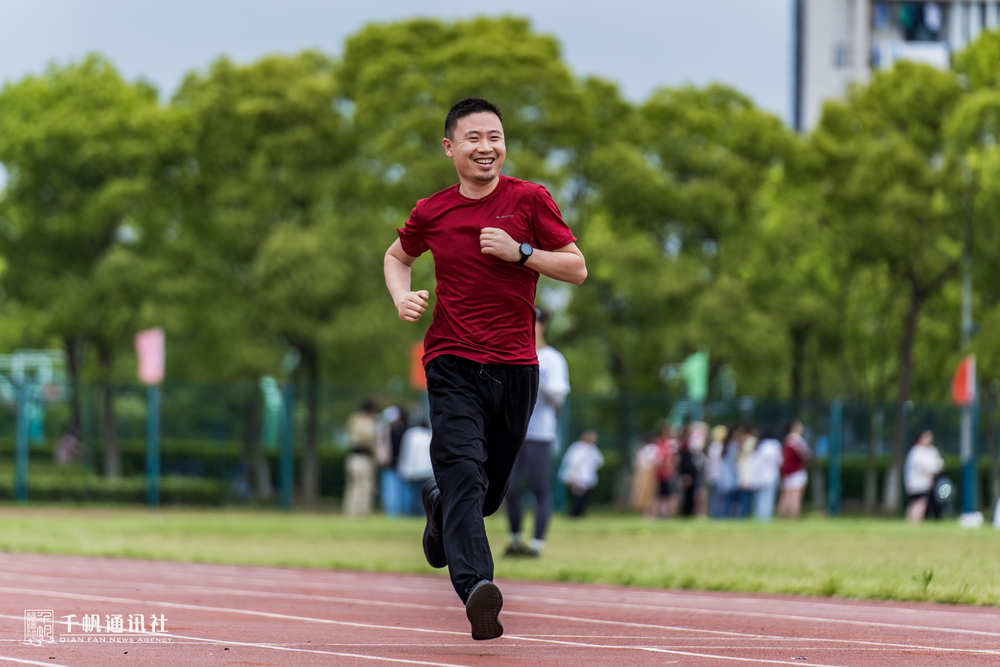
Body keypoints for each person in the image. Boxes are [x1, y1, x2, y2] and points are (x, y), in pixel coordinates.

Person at [382, 97, 586, 640]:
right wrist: (401, 297)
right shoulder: (433, 210)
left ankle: (438, 503)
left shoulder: (530, 200)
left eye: (494, 137)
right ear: (450, 148)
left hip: (517, 366)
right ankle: (477, 589)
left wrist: (520, 252)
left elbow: (576, 267)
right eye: (473, 138)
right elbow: (396, 256)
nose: (485, 147)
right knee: (465, 473)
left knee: (486, 494)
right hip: (450, 360)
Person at [504, 307, 569, 558]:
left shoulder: (553, 359)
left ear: (543, 325)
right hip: (513, 432)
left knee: (539, 487)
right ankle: (515, 538)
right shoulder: (512, 352)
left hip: (540, 433)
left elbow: (559, 396)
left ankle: (537, 544)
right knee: (508, 488)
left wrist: (535, 377)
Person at [343, 400, 378, 517]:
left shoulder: (353, 420)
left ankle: (350, 512)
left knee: (353, 486)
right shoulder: (367, 422)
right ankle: (361, 512)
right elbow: (368, 438)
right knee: (365, 486)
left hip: (353, 457)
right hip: (364, 457)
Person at [558, 429, 604, 518]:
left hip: (588, 477)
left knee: (585, 497)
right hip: (578, 476)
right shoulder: (577, 447)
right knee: (577, 497)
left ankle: (581, 513)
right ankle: (574, 514)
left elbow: (600, 461)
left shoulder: (593, 449)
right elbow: (572, 462)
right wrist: (572, 476)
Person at [904, 430, 944, 523]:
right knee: (919, 502)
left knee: (920, 502)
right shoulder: (917, 451)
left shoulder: (930, 450)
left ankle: (914, 520)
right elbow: (924, 466)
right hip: (918, 482)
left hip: (926, 481)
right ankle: (914, 520)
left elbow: (938, 463)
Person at [776, 419, 812, 518]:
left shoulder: (786, 441)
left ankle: (781, 515)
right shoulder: (797, 440)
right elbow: (806, 455)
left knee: (786, 495)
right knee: (795, 495)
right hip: (797, 471)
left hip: (787, 472)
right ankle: (793, 516)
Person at [748, 429, 783, 522]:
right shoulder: (776, 445)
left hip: (761, 476)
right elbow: (780, 461)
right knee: (769, 498)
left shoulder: (761, 446)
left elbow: (755, 463)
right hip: (773, 475)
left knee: (760, 498)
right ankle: (767, 517)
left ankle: (760, 517)